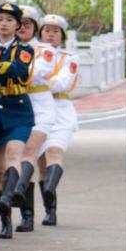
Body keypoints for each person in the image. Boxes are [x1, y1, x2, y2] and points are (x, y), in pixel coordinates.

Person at [0, 2, 36, 239]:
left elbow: (18, 69)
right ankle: (5, 220)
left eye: (9, 20)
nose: (4, 24)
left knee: (15, 155)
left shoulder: (24, 49)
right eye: (0, 19)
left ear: (17, 25)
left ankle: (10, 197)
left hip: (18, 110)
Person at [11, 6, 56, 232]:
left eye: (28, 24)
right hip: (17, 105)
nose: (23, 28)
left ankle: (21, 191)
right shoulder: (7, 48)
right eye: (19, 24)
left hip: (40, 107)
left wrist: (10, 69)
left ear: (35, 27)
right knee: (21, 156)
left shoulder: (45, 50)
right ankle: (26, 215)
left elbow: (36, 72)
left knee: (30, 152)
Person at [37, 13, 78, 226]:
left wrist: (38, 81)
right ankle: (49, 210)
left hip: (60, 111)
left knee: (55, 151)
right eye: (47, 30)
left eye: (55, 31)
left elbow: (63, 83)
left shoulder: (68, 58)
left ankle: (50, 188)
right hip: (38, 110)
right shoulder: (32, 54)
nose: (50, 34)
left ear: (62, 35)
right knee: (42, 164)